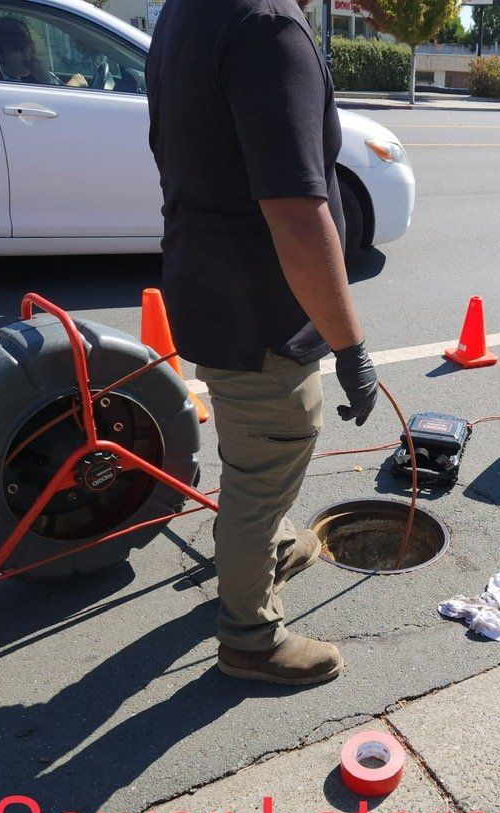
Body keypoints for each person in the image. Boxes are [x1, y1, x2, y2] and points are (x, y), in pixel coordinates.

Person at [146, 0, 378, 685]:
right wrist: (351, 346)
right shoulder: (267, 27)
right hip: (259, 305)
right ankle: (250, 634)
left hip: (210, 281)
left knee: (254, 444)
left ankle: (270, 544)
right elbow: (299, 215)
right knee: (270, 453)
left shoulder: (187, 10)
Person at [0, 15, 84, 86]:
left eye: (30, 42)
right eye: (19, 45)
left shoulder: (26, 79)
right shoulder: (2, 84)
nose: (29, 50)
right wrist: (71, 86)